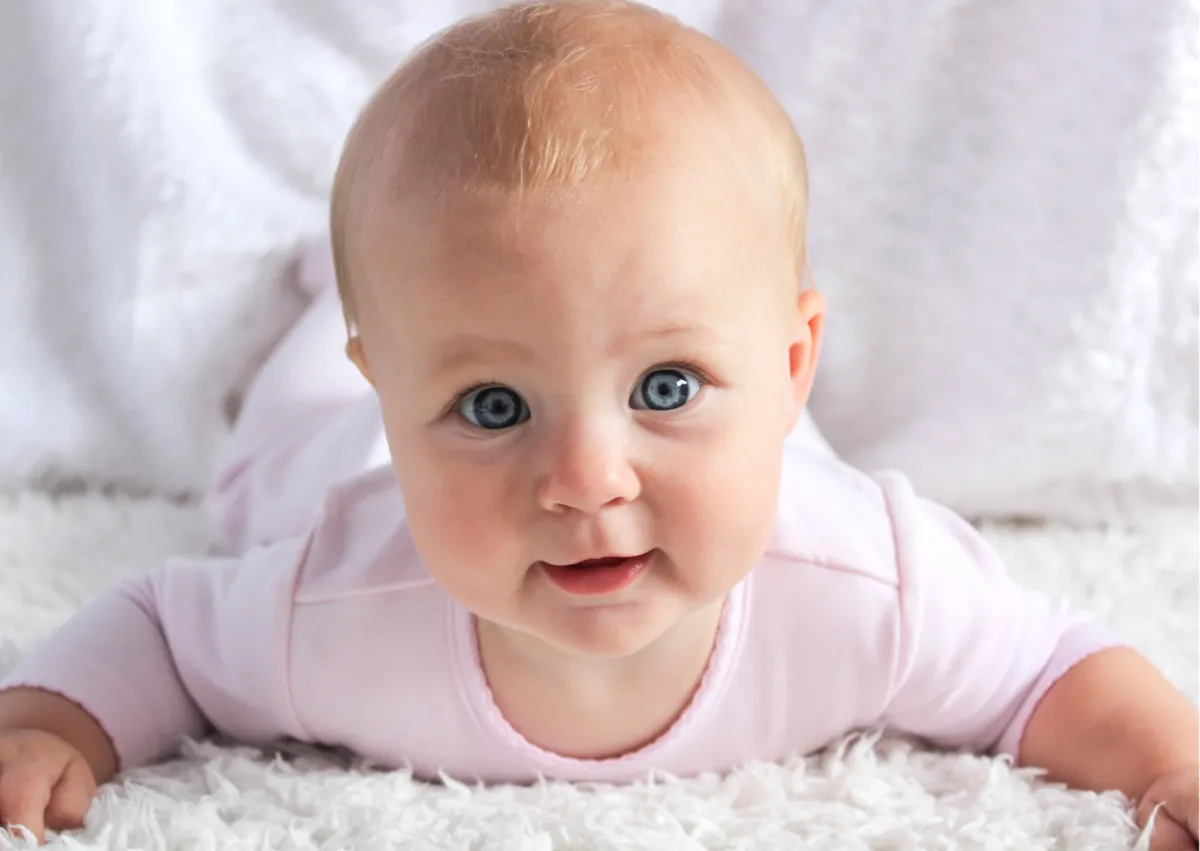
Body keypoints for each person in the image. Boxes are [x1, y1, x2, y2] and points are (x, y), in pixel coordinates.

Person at [1, 1, 1196, 847]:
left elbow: (1046, 667)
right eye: (493, 407)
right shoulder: (331, 604)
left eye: (665, 386)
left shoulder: (868, 581)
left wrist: (1170, 760)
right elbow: (160, 627)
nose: (583, 478)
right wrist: (53, 716)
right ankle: (335, 290)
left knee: (710, 431)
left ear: (795, 364)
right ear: (398, 397)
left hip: (771, 454)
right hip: (328, 449)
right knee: (269, 456)